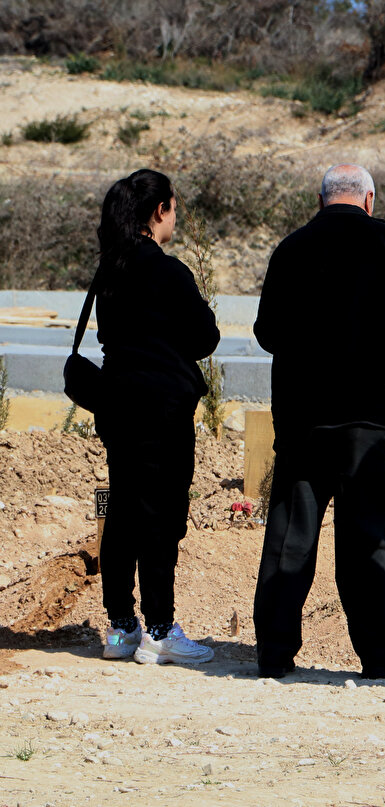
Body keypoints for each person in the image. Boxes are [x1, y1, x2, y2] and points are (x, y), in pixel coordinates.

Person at [252, 164, 385, 680]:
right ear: (369, 199)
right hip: (370, 416)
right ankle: (379, 654)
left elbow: (267, 333)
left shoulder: (291, 249)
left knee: (290, 534)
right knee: (370, 537)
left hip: (303, 417)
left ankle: (273, 652)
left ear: (320, 201)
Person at [94, 169, 221, 665]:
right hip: (162, 412)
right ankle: (161, 631)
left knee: (122, 512)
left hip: (117, 407)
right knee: (161, 518)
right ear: (158, 211)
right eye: (173, 208)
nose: (175, 218)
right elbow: (205, 337)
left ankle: (121, 629)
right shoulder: (167, 271)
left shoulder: (110, 269)